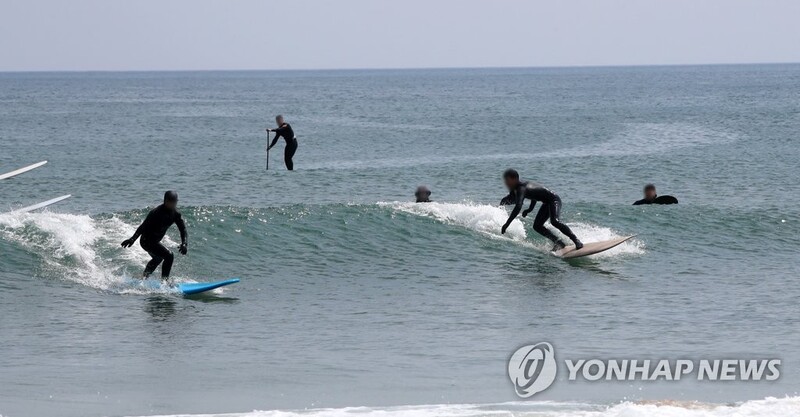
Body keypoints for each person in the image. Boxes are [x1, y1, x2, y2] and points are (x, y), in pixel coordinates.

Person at [499, 169, 583, 251]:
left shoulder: (521, 189)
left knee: (555, 221)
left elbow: (518, 206)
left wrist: (507, 224)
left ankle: (576, 240)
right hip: (546, 203)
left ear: (515, 179)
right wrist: (529, 209)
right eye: (505, 180)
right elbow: (533, 196)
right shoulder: (517, 188)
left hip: (554, 200)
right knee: (537, 226)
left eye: (508, 180)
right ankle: (558, 242)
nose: (506, 183)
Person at [120, 191, 188, 280]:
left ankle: (144, 277)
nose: (173, 204)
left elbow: (183, 229)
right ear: (165, 201)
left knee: (158, 258)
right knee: (169, 256)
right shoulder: (156, 212)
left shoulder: (176, 214)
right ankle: (165, 282)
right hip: (146, 241)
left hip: (155, 241)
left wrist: (184, 243)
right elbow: (143, 226)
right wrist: (132, 239)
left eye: (175, 202)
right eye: (171, 202)